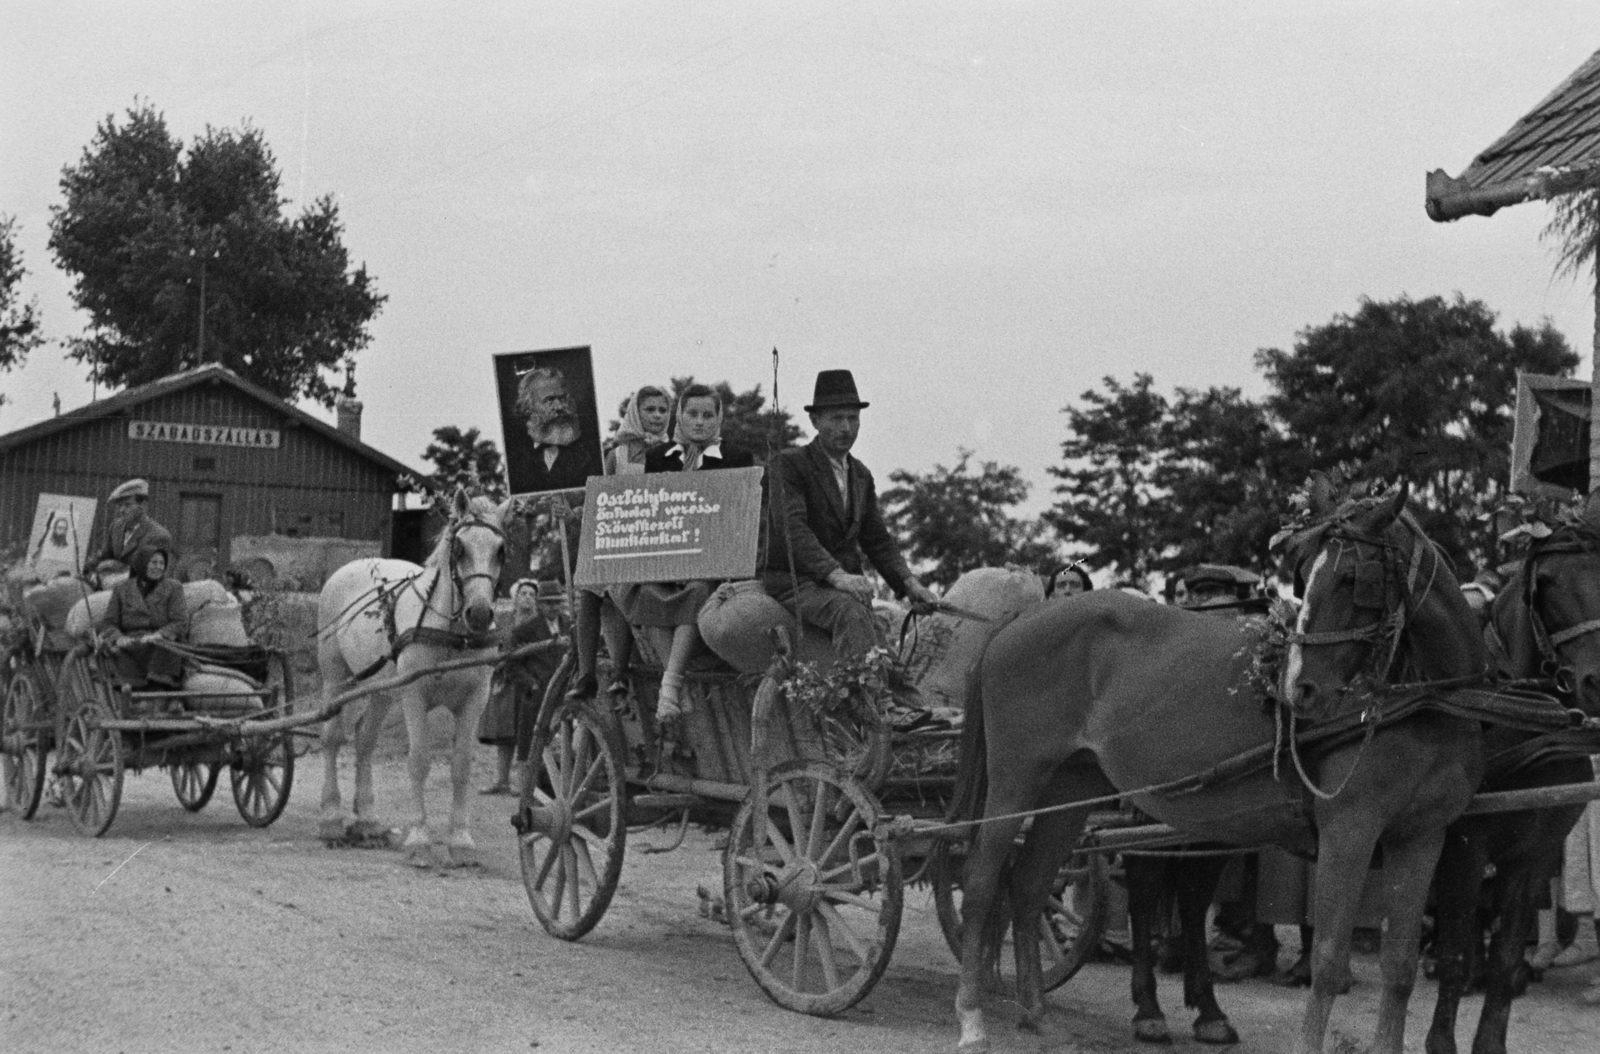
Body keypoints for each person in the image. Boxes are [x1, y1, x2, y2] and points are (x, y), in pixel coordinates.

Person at [762, 369, 938, 658]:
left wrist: (909, 584)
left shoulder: (861, 475)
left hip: (839, 588)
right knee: (850, 613)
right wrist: (836, 575)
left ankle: (900, 702)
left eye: (853, 418)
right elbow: (792, 528)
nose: (846, 427)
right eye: (836, 418)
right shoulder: (789, 465)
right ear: (815, 421)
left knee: (886, 658)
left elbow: (877, 540)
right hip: (796, 583)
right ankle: (862, 700)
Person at [612, 384, 755, 721]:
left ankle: (671, 685)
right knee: (646, 593)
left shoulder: (736, 459)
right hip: (666, 560)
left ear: (719, 418)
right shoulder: (658, 458)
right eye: (692, 414)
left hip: (713, 561)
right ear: (680, 416)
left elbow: (743, 515)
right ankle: (673, 682)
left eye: (708, 415)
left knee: (698, 590)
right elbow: (649, 512)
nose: (700, 422)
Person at [480, 580, 569, 794]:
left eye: (556, 603)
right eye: (548, 603)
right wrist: (531, 683)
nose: (552, 607)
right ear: (541, 605)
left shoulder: (569, 625)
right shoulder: (525, 630)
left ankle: (557, 782)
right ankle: (523, 783)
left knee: (562, 735)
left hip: (563, 689)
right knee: (526, 735)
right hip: (534, 691)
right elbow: (511, 661)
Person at [97, 545, 187, 689]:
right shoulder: (122, 589)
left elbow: (180, 621)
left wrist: (159, 635)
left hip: (161, 644)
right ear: (142, 563)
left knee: (168, 651)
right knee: (121, 670)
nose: (158, 567)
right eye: (153, 562)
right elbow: (109, 623)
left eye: (161, 563)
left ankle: (163, 693)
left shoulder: (173, 588)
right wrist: (119, 639)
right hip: (132, 644)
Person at [514, 365, 604, 492]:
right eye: (549, 400)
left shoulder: (592, 453)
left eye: (563, 398)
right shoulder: (514, 458)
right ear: (528, 408)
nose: (560, 406)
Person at [85, 478, 175, 577]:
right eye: (120, 505)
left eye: (127, 505)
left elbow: (153, 572)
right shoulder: (116, 526)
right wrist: (85, 567)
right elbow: (105, 555)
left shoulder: (159, 536)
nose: (122, 510)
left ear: (143, 505)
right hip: (111, 583)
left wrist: (118, 566)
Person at [604, 386, 671, 475]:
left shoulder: (675, 453)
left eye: (662, 410)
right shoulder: (616, 456)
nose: (658, 415)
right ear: (636, 413)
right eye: (650, 409)